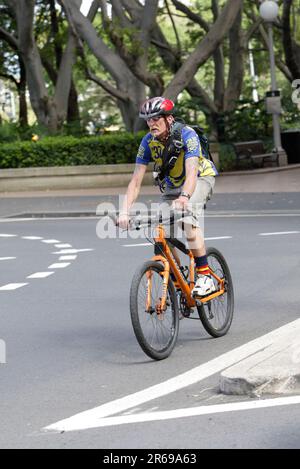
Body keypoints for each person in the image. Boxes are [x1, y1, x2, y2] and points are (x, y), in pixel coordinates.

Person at [117, 96, 218, 297]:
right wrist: (124, 211)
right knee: (160, 233)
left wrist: (184, 197)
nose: (151, 124)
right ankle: (175, 280)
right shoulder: (147, 142)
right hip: (172, 187)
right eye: (148, 120)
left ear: (169, 118)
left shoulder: (187, 135)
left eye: (156, 119)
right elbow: (135, 181)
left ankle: (205, 275)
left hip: (199, 179)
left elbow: (191, 172)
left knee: (186, 221)